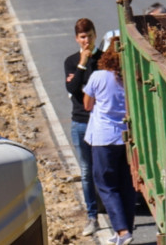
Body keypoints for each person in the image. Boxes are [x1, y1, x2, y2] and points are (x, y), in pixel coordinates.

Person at [83, 37, 137, 245]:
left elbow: (87, 104)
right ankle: (125, 229)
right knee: (126, 186)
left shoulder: (98, 76)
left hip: (103, 138)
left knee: (106, 185)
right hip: (125, 137)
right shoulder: (129, 77)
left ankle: (122, 232)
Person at [64, 18, 102, 236]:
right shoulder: (71, 61)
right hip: (80, 122)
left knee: (103, 170)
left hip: (101, 122)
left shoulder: (104, 59)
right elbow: (72, 87)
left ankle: (117, 216)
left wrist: (91, 60)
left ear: (95, 34)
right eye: (82, 37)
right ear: (76, 39)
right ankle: (92, 216)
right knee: (87, 171)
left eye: (89, 35)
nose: (86, 40)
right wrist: (82, 63)